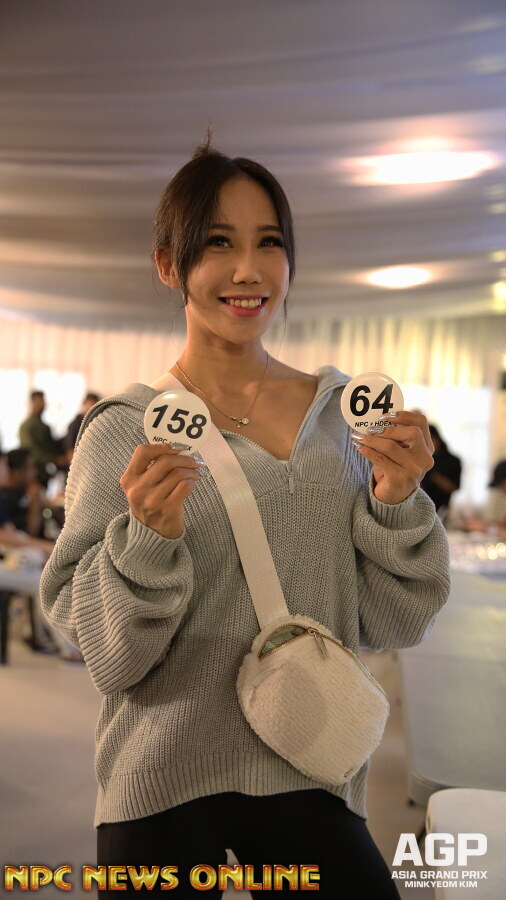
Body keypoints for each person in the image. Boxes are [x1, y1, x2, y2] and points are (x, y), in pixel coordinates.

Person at [40, 136, 450, 898]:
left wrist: (397, 504)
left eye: (270, 243)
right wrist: (145, 543)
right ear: (169, 265)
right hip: (163, 776)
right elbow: (105, 656)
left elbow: (394, 622)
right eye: (218, 243)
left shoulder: (343, 420)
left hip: (311, 761)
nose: (248, 271)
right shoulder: (125, 429)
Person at [19, 390, 68, 488]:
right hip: (33, 475)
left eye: (43, 401)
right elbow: (31, 452)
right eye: (39, 401)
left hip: (44, 474)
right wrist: (55, 459)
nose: (42, 404)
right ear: (32, 403)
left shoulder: (44, 427)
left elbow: (52, 446)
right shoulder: (27, 426)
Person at [420, 424, 461, 518]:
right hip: (420, 506)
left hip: (442, 508)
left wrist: (437, 479)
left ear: (437, 439)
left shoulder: (453, 461)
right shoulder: (422, 459)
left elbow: (455, 487)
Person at [63, 392, 101, 465]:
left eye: (94, 405)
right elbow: (69, 451)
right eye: (89, 404)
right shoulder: (75, 423)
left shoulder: (96, 422)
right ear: (84, 404)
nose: (91, 408)